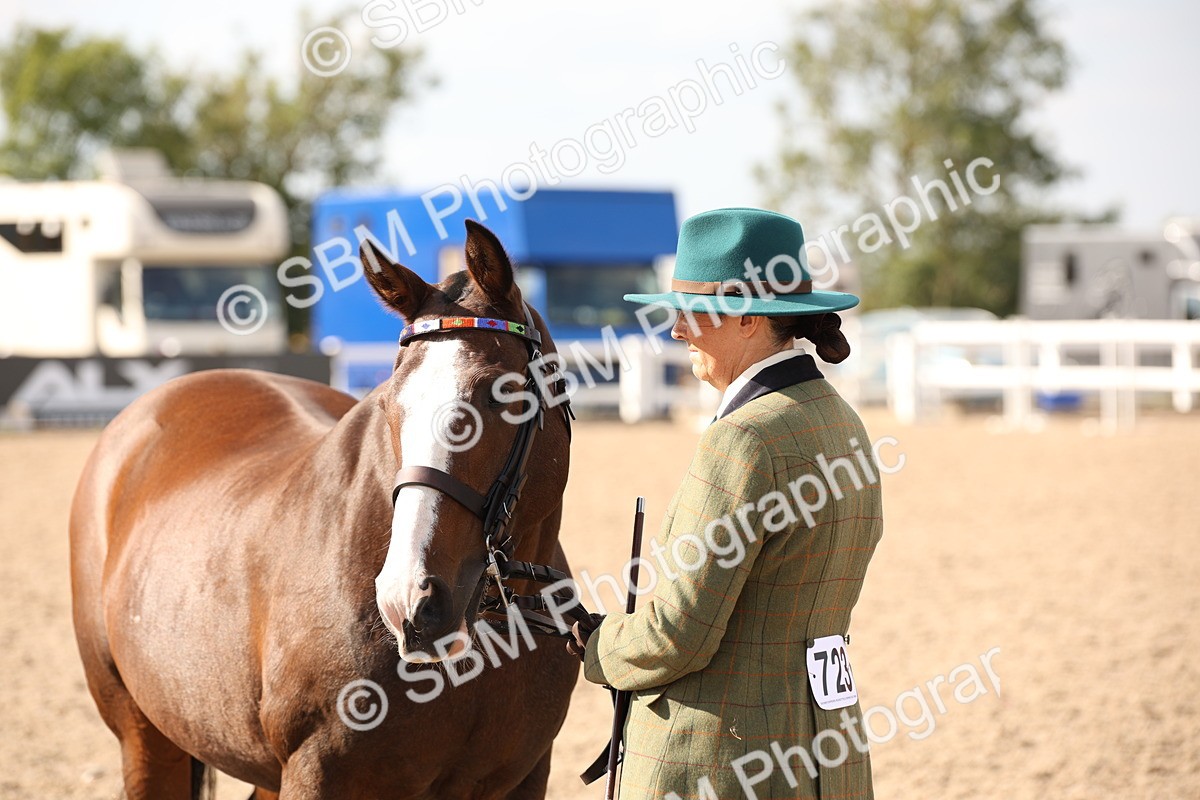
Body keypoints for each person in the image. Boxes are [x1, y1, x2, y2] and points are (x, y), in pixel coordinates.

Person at [568, 208, 883, 799]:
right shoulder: (846, 424)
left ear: (748, 320)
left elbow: (677, 635)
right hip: (829, 754)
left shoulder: (742, 439)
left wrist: (596, 642)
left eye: (691, 312)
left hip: (723, 760)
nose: (677, 330)